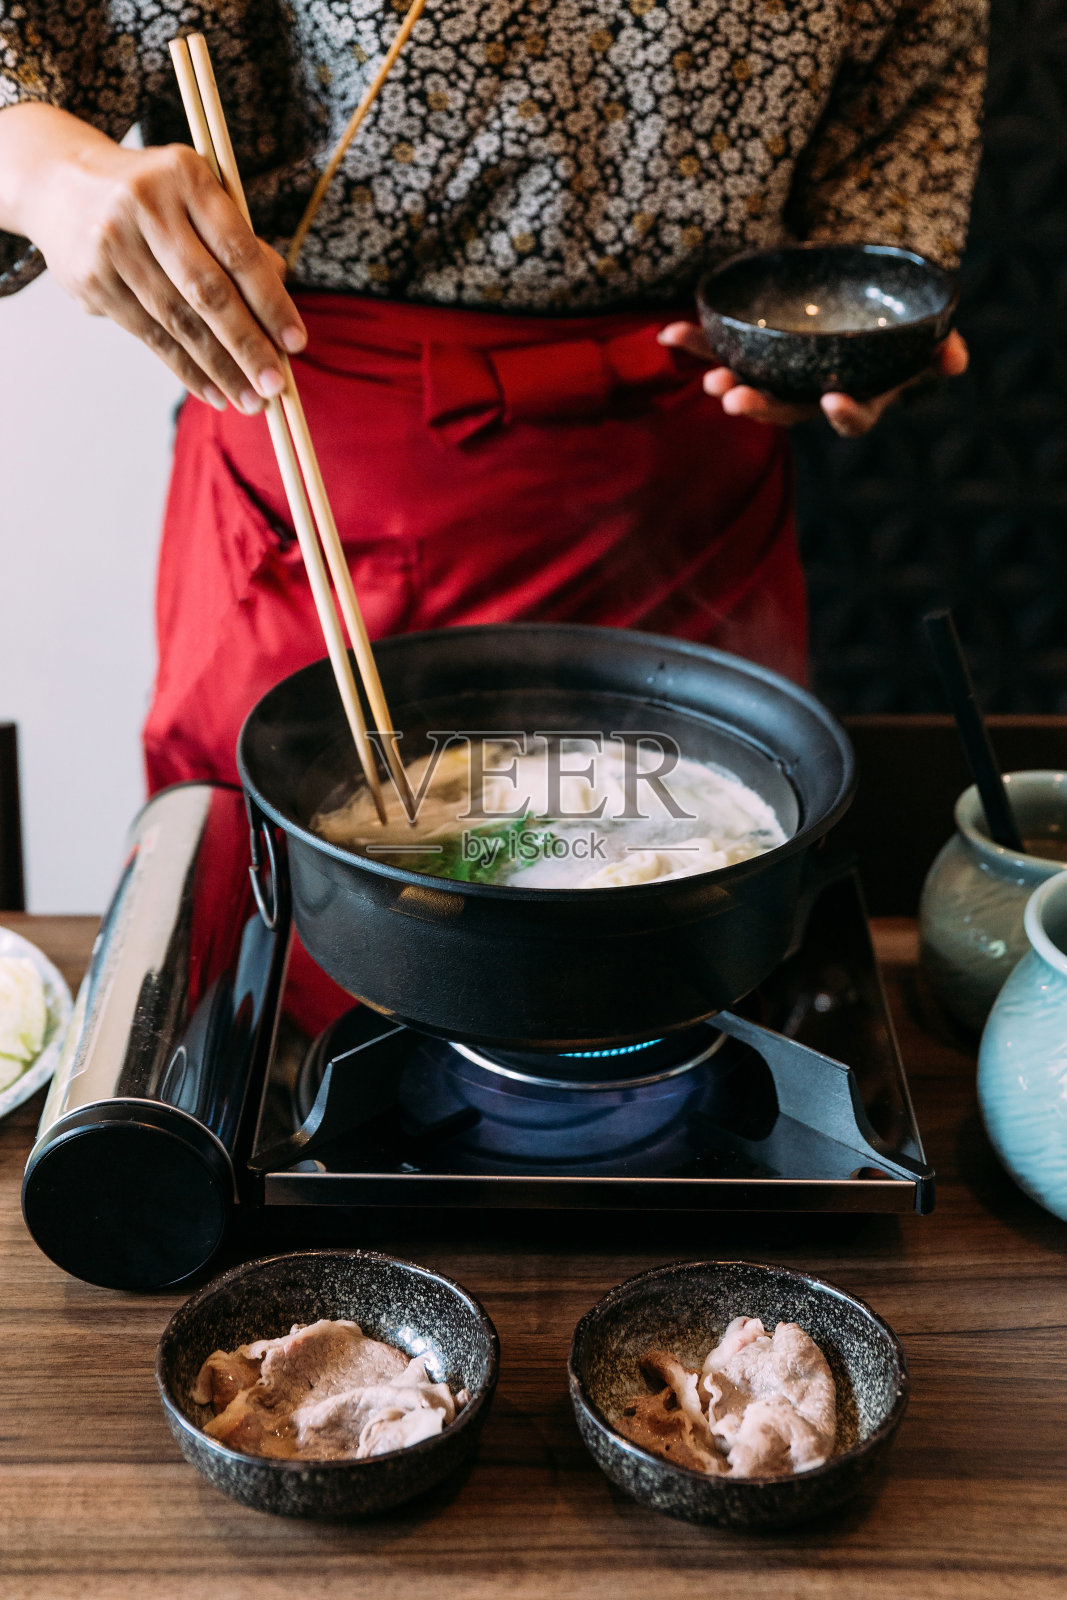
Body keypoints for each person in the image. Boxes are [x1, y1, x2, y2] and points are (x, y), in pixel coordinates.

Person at [0, 0, 987, 799]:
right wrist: (49, 171)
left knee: (684, 878)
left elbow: (901, 123)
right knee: (305, 908)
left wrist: (842, 338)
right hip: (323, 453)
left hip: (690, 475)